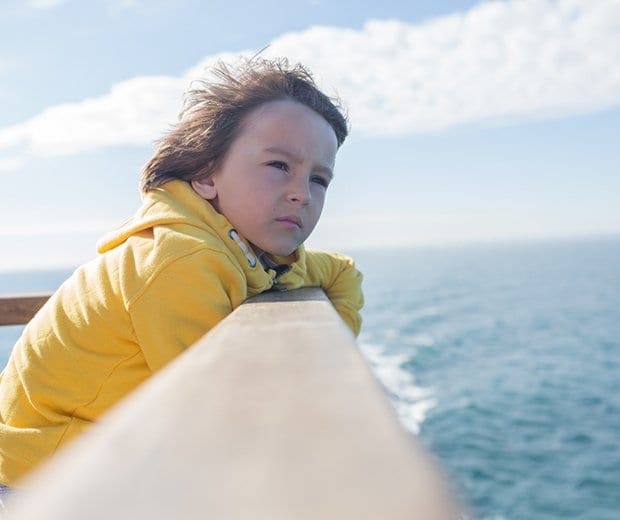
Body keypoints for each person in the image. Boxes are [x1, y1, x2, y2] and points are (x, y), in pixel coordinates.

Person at [0, 56, 363, 489]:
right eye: (279, 166)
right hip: (43, 478)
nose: (301, 194)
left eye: (320, 179)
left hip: (114, 458)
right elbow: (228, 420)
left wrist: (313, 344)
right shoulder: (180, 259)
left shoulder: (246, 248)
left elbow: (342, 272)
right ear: (207, 176)